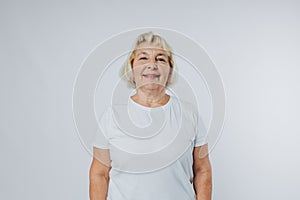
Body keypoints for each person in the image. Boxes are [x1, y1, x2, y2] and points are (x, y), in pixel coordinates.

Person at [89, 32, 212, 200]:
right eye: (143, 58)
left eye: (160, 59)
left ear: (170, 69)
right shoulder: (112, 116)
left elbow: (202, 170)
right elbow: (99, 174)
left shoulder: (189, 114)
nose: (152, 65)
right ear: (131, 67)